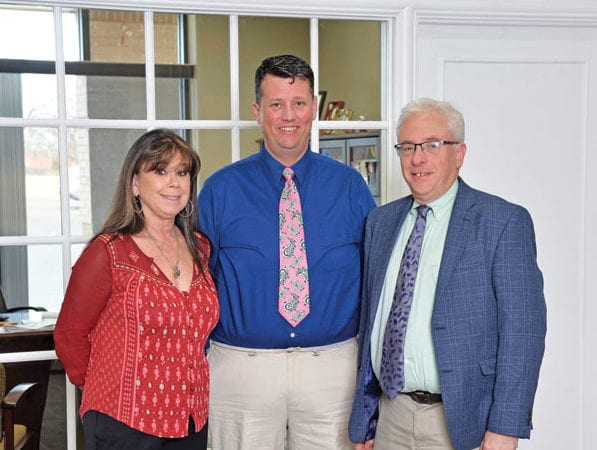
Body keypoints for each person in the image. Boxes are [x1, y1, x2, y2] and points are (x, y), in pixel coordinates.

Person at [199, 54, 376, 449]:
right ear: (257, 110)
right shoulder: (220, 190)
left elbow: (376, 281)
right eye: (276, 104)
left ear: (313, 107)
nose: (289, 116)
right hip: (243, 372)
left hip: (331, 371)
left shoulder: (350, 187)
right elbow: (196, 284)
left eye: (298, 103)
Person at [349, 98, 547, 450]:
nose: (418, 158)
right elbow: (372, 325)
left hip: (463, 421)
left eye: (432, 145)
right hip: (391, 414)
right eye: (408, 146)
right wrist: (366, 418)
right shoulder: (380, 222)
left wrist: (505, 427)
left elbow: (523, 333)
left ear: (459, 153)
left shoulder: (502, 222)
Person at [54, 129, 219, 450]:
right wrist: (105, 390)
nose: (174, 183)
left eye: (182, 173)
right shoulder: (108, 251)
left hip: (190, 420)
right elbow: (69, 334)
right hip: (124, 423)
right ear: (134, 183)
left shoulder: (200, 248)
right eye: (160, 171)